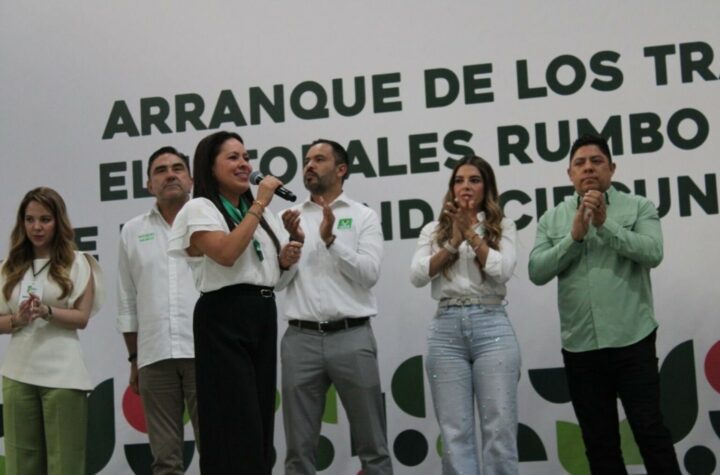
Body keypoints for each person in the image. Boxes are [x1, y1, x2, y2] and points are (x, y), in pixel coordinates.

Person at [528, 134, 681, 474]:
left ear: (611, 169)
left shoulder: (638, 207)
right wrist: (574, 237)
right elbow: (536, 271)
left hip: (633, 339)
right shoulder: (553, 218)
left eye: (596, 161)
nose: (588, 168)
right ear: (570, 174)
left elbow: (653, 252)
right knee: (600, 444)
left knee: (650, 433)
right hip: (581, 346)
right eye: (580, 163)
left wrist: (604, 224)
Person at [168, 131, 302, 474]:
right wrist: (260, 203)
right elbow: (226, 255)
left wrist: (289, 255)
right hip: (223, 317)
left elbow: (275, 280)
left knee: (259, 423)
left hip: (262, 313)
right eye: (232, 157)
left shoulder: (258, 214)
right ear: (210, 167)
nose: (244, 164)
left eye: (246, 157)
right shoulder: (200, 208)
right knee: (234, 422)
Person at [280, 139, 393, 475]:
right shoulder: (288, 217)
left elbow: (369, 274)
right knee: (298, 451)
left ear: (341, 169)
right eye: (306, 160)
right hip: (300, 339)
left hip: (352, 336)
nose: (309, 166)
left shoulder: (362, 216)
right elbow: (276, 283)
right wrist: (290, 252)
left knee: (373, 446)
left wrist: (331, 240)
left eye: (319, 159)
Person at [410, 155, 521, 474]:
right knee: (454, 433)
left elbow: (502, 270)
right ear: (451, 188)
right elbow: (417, 275)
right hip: (446, 329)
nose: (466, 186)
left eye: (474, 180)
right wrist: (453, 242)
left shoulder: (503, 226)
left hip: (491, 324)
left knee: (499, 429)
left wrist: (471, 234)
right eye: (459, 181)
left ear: (486, 187)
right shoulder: (434, 230)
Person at [0, 187, 103, 475]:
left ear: (58, 222)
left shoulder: (79, 262)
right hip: (17, 373)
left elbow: (82, 317)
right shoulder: (8, 267)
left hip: (63, 375)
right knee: (20, 464)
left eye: (45, 219)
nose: (37, 227)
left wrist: (47, 311)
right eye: (30, 219)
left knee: (66, 463)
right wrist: (17, 319)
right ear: (22, 223)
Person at [116, 146, 200, 474]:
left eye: (178, 168)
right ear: (149, 185)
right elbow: (127, 299)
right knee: (165, 460)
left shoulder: (210, 223)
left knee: (218, 451)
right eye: (160, 170)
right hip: (154, 356)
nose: (170, 175)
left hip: (204, 351)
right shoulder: (132, 231)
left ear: (191, 180)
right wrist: (134, 358)